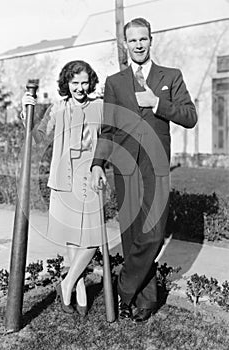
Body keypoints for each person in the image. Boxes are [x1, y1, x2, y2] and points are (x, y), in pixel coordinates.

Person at [91, 17, 197, 323]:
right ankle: (143, 301)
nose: (138, 45)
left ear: (151, 40)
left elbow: (190, 116)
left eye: (143, 39)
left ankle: (122, 288)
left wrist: (158, 104)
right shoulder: (115, 82)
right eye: (132, 40)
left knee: (152, 234)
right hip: (124, 166)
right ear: (125, 44)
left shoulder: (170, 76)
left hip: (157, 166)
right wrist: (98, 164)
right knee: (131, 233)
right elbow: (108, 128)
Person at [21, 60, 103, 316]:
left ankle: (65, 284)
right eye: (74, 82)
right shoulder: (58, 108)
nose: (79, 88)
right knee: (72, 237)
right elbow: (37, 138)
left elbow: (111, 138)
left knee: (92, 240)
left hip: (89, 178)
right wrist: (26, 114)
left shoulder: (100, 107)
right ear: (66, 84)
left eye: (84, 82)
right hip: (64, 178)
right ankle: (78, 291)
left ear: (91, 83)